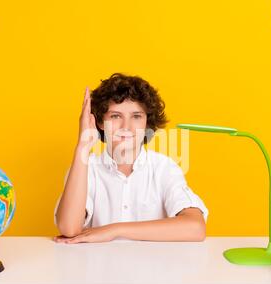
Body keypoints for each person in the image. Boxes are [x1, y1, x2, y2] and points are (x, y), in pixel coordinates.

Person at [54, 73, 208, 244]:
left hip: (153, 268)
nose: (126, 127)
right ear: (99, 122)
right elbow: (68, 228)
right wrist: (83, 145)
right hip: (98, 267)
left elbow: (196, 227)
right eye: (115, 116)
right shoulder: (85, 168)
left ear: (147, 122)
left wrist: (115, 230)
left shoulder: (164, 168)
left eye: (136, 116)